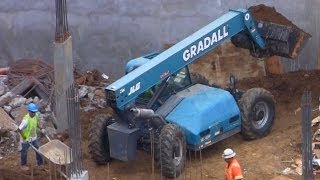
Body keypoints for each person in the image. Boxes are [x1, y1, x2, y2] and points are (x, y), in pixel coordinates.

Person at [18, 103, 45, 171]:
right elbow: (19, 129)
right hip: (26, 139)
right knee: (24, 152)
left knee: (38, 149)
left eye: (34, 111)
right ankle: (23, 165)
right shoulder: (25, 120)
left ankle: (40, 163)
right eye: (32, 112)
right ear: (29, 111)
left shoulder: (35, 115)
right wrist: (24, 137)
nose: (34, 113)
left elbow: (36, 123)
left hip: (33, 137)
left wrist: (41, 128)